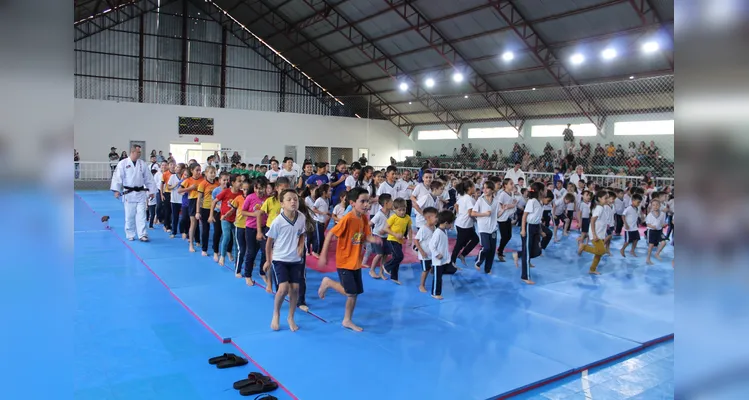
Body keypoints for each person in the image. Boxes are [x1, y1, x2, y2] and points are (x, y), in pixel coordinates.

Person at [317, 187, 382, 332]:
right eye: (363, 201)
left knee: (355, 294)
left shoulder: (363, 218)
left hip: (356, 262)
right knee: (350, 292)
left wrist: (374, 239)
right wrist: (323, 254)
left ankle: (347, 320)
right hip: (345, 261)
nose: (367, 204)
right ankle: (328, 282)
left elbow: (365, 236)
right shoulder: (347, 219)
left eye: (368, 201)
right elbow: (330, 235)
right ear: (352, 203)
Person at [264, 189, 307, 331]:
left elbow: (302, 233)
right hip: (280, 258)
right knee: (283, 289)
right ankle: (276, 313)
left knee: (295, 288)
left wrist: (301, 245)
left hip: (295, 259)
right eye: (289, 199)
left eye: (295, 199)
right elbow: (269, 242)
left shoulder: (301, 217)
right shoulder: (278, 221)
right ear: (282, 203)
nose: (293, 201)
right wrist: (268, 260)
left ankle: (291, 317)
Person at [110, 144, 157, 241]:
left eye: (140, 152)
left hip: (140, 193)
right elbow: (117, 177)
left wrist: (151, 191)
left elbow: (149, 178)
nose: (140, 153)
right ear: (132, 152)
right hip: (129, 193)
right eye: (138, 152)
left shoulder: (142, 164)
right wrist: (116, 190)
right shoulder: (123, 163)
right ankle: (130, 233)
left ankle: (142, 234)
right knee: (130, 215)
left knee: (142, 215)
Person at [428, 210, 455, 300]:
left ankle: (433, 270)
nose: (451, 226)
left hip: (444, 259)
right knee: (438, 278)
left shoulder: (444, 231)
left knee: (450, 270)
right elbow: (431, 245)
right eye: (451, 224)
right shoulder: (438, 233)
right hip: (438, 260)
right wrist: (436, 254)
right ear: (446, 223)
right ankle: (435, 293)